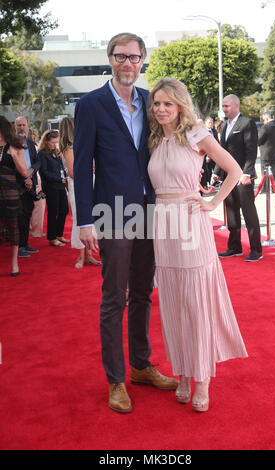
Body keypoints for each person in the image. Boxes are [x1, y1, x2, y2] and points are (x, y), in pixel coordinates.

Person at [73, 32, 178, 414]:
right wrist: (85, 220)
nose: (127, 63)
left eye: (134, 57)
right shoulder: (91, 104)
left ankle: (140, 364)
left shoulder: (153, 101)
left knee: (143, 293)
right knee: (114, 297)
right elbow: (82, 166)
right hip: (112, 213)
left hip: (150, 210)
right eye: (120, 56)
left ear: (143, 60)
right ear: (111, 59)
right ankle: (115, 379)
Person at [147, 78, 247, 412]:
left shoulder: (196, 135)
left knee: (195, 301)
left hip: (190, 222)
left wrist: (213, 202)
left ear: (180, 105)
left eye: (168, 104)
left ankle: (202, 377)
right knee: (173, 301)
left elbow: (233, 169)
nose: (161, 110)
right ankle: (184, 372)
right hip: (163, 224)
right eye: (157, 103)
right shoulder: (154, 138)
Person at [211, 94, 263, 262]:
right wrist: (216, 172)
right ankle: (234, 247)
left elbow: (251, 151)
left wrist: (247, 173)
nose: (223, 109)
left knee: (248, 213)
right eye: (223, 106)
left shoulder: (247, 123)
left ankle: (256, 249)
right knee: (231, 212)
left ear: (236, 105)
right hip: (228, 177)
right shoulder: (225, 125)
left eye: (226, 106)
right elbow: (221, 151)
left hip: (242, 176)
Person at [59, 117, 101, 268]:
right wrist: (91, 170)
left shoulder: (77, 146)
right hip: (79, 186)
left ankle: (88, 255)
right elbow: (73, 173)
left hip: (86, 184)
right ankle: (81, 256)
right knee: (80, 219)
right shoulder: (69, 148)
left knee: (89, 218)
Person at [0, 116, 28, 276]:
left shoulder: (15, 146)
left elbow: (24, 171)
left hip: (10, 191)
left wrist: (14, 155)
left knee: (12, 226)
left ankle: (14, 263)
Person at [15, 116, 40, 258]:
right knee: (19, 218)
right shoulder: (10, 144)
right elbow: (10, 166)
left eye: (24, 125)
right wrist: (25, 177)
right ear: (15, 126)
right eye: (19, 125)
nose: (22, 128)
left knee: (27, 215)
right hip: (18, 186)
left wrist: (30, 175)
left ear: (27, 126)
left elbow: (37, 162)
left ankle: (25, 244)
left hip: (31, 184)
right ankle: (18, 247)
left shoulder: (30, 143)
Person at [38, 130, 69, 247]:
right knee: (53, 212)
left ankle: (59, 234)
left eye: (56, 142)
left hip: (60, 185)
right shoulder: (42, 154)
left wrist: (64, 178)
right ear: (46, 142)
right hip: (51, 187)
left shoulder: (56, 152)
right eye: (52, 142)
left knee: (64, 210)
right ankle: (52, 237)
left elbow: (61, 168)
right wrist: (58, 179)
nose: (55, 145)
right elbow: (44, 172)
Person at [258, 112, 275, 192]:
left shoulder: (265, 127)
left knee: (264, 171)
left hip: (265, 152)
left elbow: (259, 139)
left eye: (264, 119)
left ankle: (264, 188)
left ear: (267, 118)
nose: (263, 121)